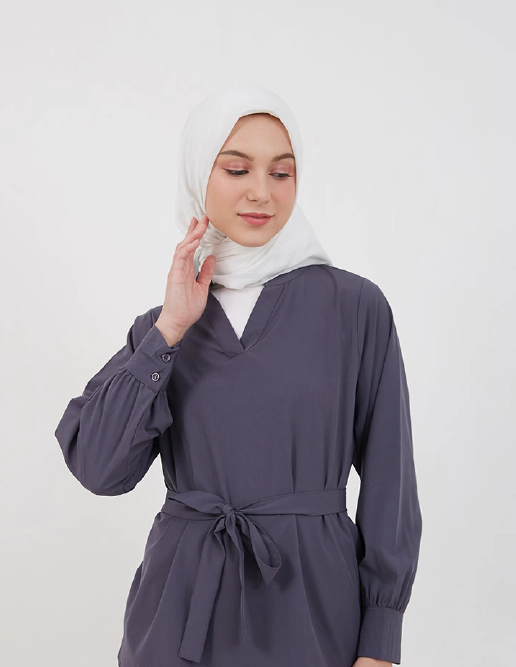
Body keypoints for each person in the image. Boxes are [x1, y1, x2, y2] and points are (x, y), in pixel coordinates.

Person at [54, 84, 423, 667]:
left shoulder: (354, 309)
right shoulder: (163, 326)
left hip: (313, 613)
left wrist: (381, 639)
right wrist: (169, 330)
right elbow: (99, 468)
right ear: (198, 174)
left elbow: (390, 479)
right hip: (178, 617)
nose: (261, 192)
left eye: (281, 172)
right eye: (236, 169)